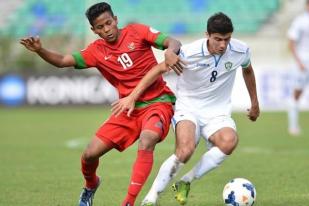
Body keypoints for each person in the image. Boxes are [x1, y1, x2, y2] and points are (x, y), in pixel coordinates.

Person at [20, 2, 183, 206]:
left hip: (158, 102)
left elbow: (173, 41)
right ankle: (90, 185)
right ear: (93, 30)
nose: (106, 30)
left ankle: (128, 202)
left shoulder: (137, 32)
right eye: (100, 27)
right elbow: (63, 60)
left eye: (108, 23)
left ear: (115, 20)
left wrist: (170, 51)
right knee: (89, 155)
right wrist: (40, 50)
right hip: (127, 108)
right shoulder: (96, 51)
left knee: (147, 139)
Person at [111, 12, 260, 205]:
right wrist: (132, 96)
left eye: (227, 39)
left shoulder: (241, 50)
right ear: (207, 34)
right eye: (218, 39)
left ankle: (185, 181)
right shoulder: (189, 52)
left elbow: (247, 70)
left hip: (218, 112)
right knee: (185, 149)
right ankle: (151, 198)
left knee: (229, 141)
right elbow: (157, 70)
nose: (223, 45)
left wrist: (255, 102)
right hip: (188, 108)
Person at [287, 0, 309, 136]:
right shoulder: (300, 21)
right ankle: (293, 126)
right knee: (297, 92)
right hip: (303, 62)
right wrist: (298, 61)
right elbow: (291, 42)